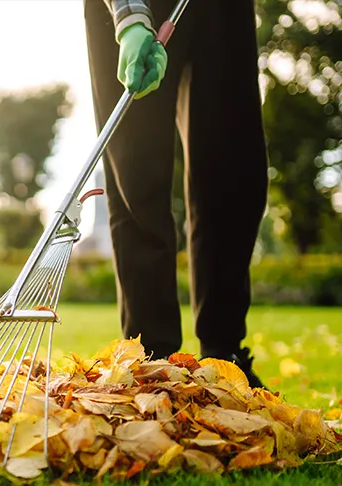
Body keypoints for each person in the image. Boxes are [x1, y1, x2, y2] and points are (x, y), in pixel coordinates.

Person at [84, 0, 269, 388]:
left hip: (221, 10)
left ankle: (225, 359)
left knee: (232, 170)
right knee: (136, 176)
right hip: (127, 10)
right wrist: (129, 19)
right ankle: (151, 360)